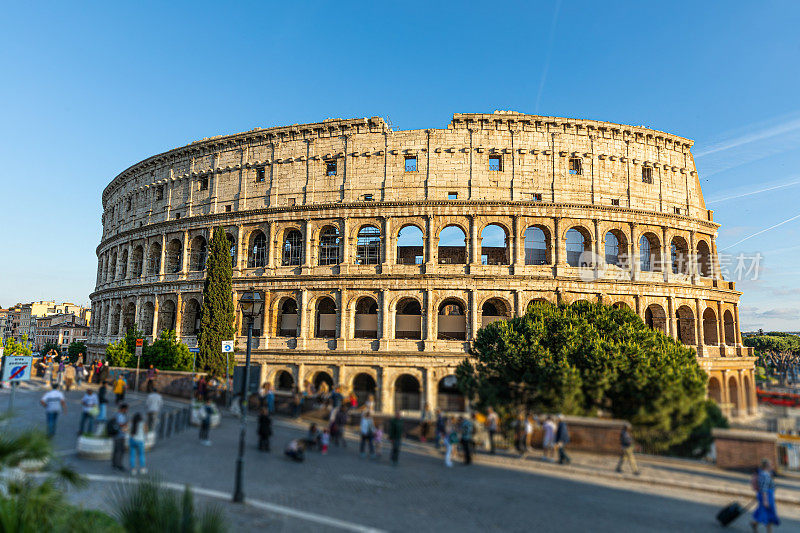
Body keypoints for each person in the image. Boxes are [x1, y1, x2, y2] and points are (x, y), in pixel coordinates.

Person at [751, 458, 780, 532]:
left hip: (766, 496)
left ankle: (755, 523)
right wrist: (765, 500)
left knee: (763, 513)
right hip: (767, 496)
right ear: (767, 466)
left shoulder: (763, 473)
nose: (772, 466)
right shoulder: (765, 475)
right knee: (768, 515)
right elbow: (764, 488)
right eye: (770, 464)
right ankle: (768, 531)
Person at [110, 403, 129, 471]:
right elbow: (121, 424)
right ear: (123, 409)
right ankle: (119, 465)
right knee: (120, 451)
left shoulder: (117, 414)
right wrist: (126, 424)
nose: (127, 410)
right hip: (119, 435)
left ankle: (114, 463)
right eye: (126, 409)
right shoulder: (120, 416)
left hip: (116, 435)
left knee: (116, 450)